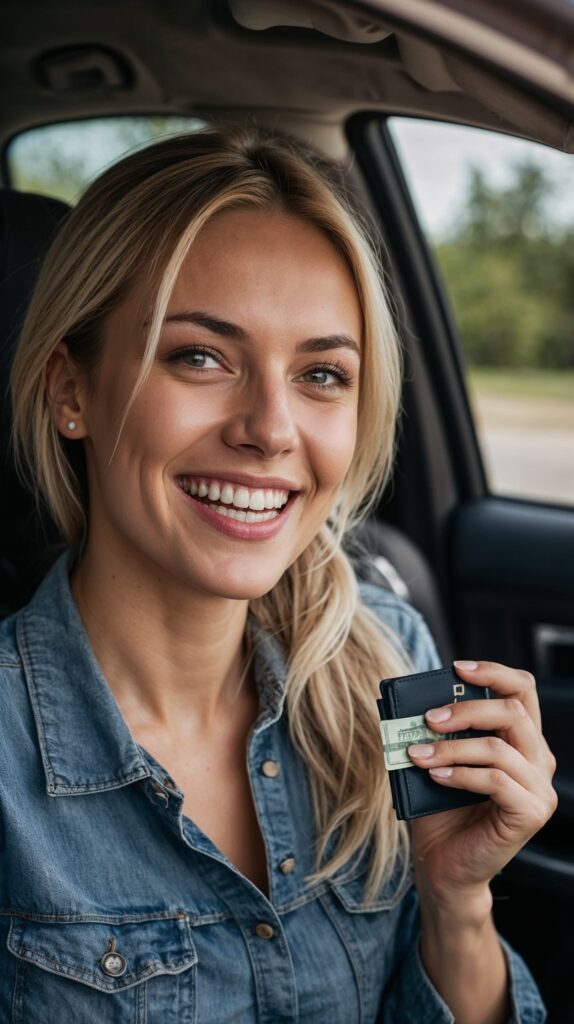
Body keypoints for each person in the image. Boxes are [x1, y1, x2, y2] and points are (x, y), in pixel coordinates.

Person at [0, 124, 554, 1022]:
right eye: (200, 356)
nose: (270, 427)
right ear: (72, 392)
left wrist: (457, 900)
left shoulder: (389, 662)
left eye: (322, 373)